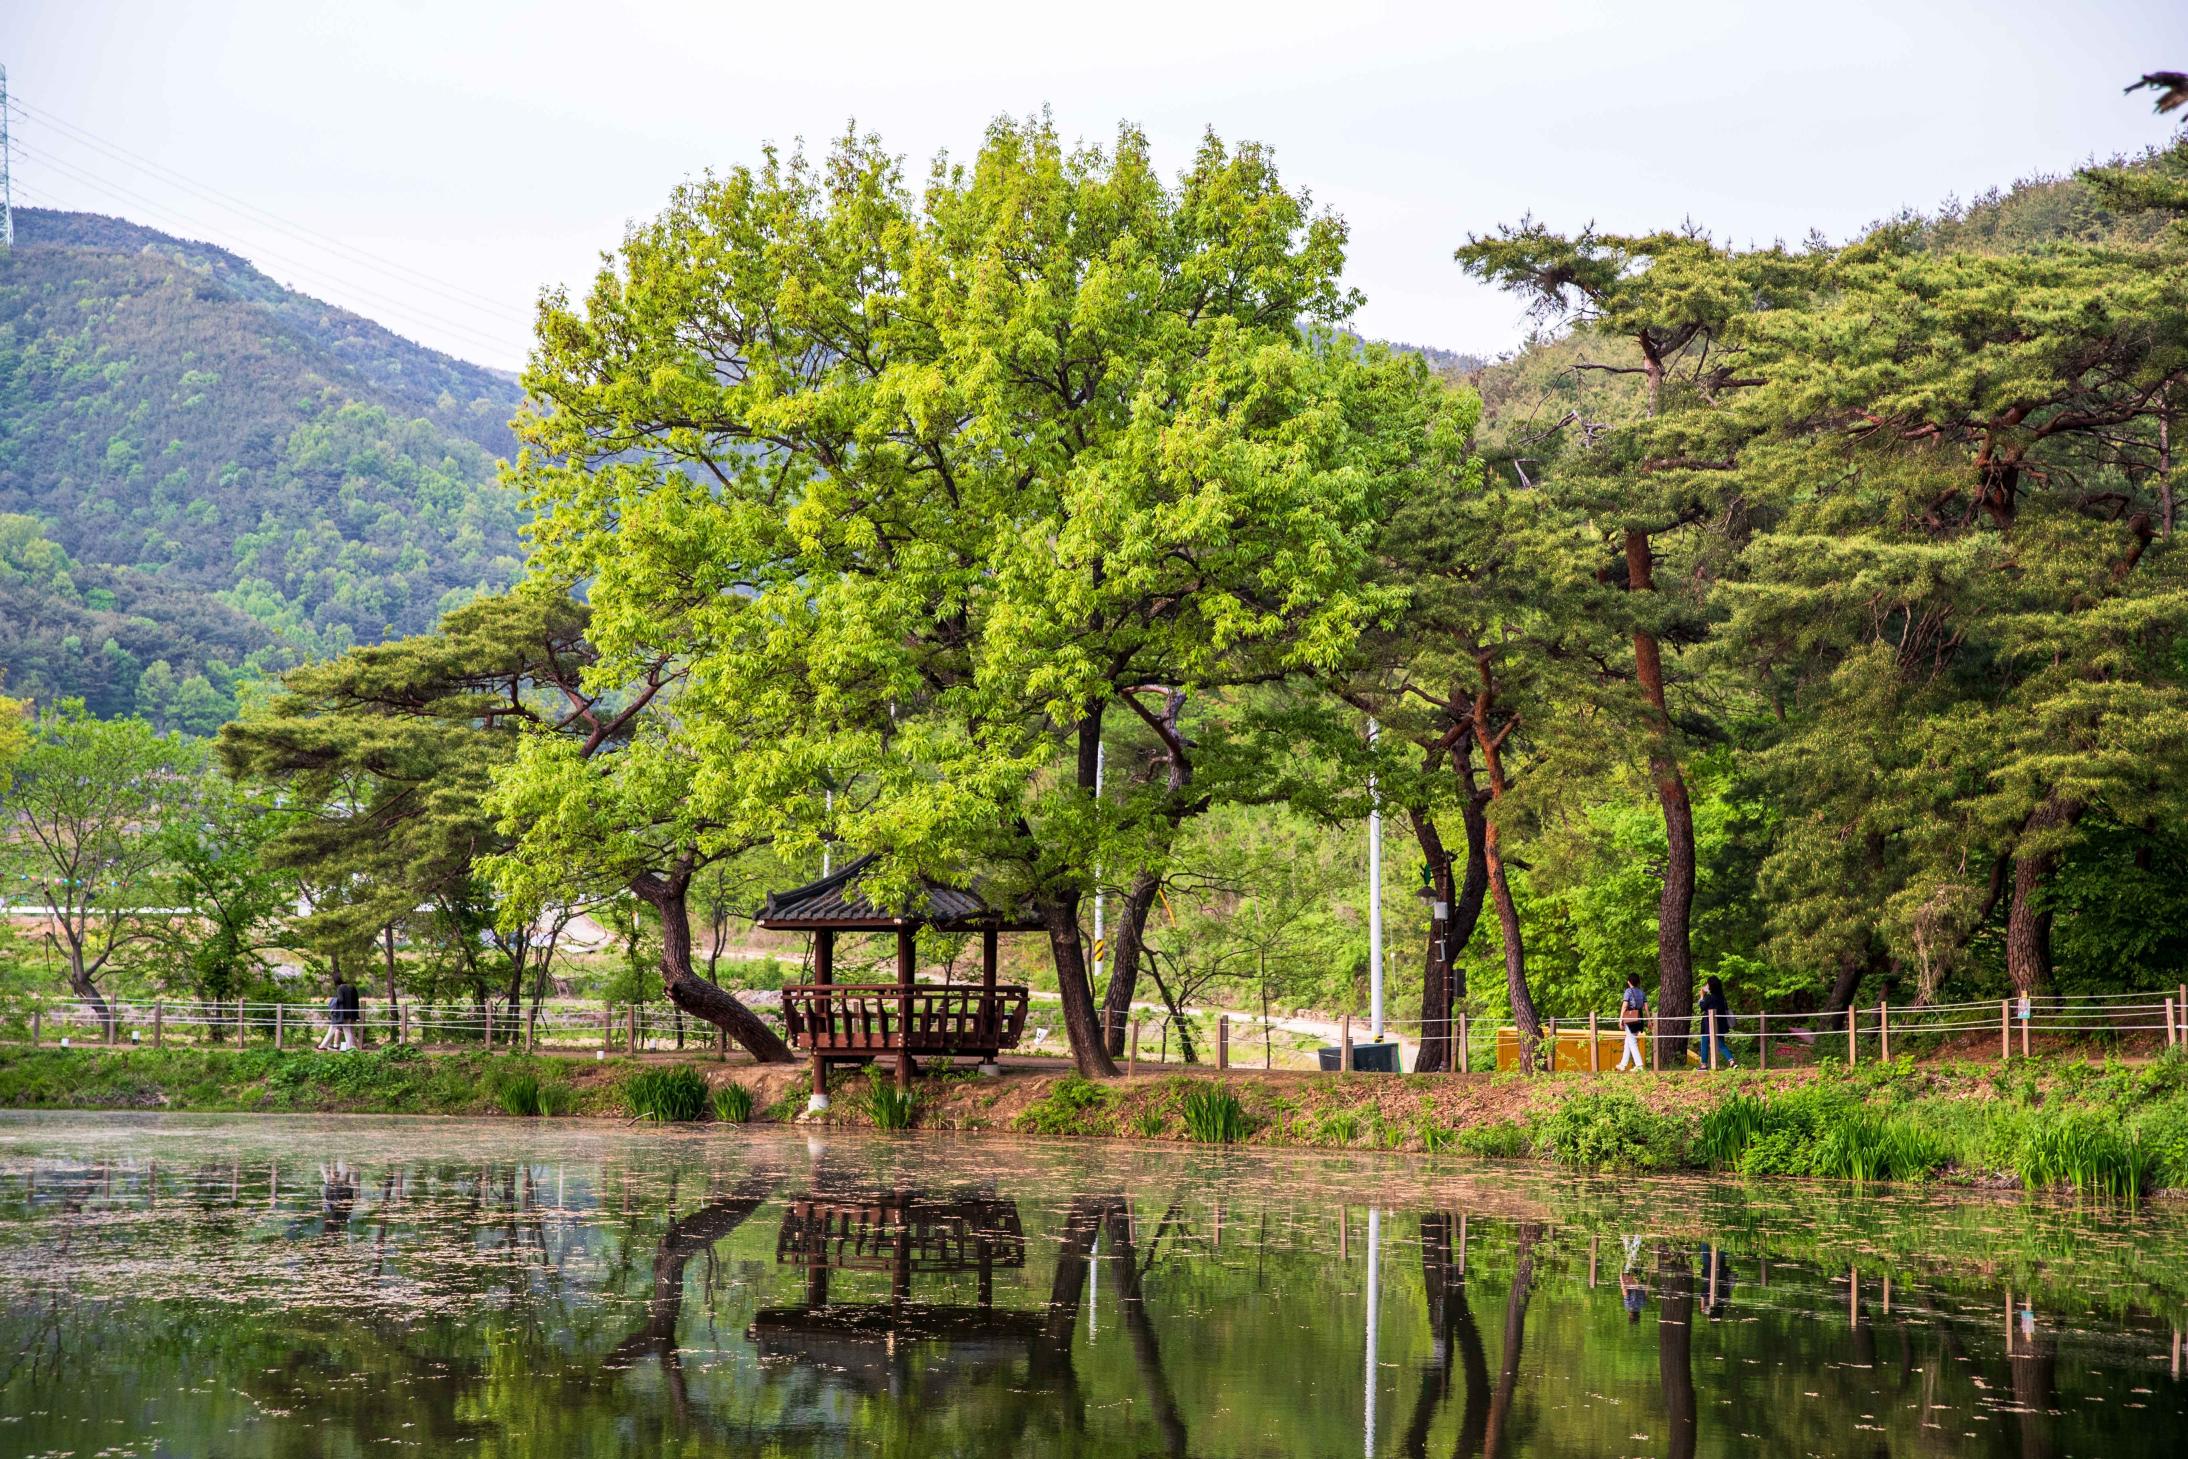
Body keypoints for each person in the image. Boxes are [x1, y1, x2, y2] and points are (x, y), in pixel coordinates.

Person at [1697, 975, 1734, 1069]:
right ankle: (1731, 1060)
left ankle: (1704, 1064)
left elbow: (1702, 1006)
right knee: (1721, 1043)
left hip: (1708, 1025)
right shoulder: (1722, 997)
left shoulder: (1709, 997)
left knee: (1704, 1042)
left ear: (1710, 986)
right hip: (1720, 1024)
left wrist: (1702, 996)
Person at [1616, 973, 1647, 1071]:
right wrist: (1649, 1021)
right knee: (1628, 1040)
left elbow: (1625, 1006)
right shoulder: (1642, 992)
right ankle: (1623, 1064)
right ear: (1638, 982)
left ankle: (1639, 1065)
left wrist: (1621, 1018)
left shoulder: (1628, 991)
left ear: (1629, 982)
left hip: (1630, 1018)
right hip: (1639, 1017)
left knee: (1632, 1041)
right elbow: (1646, 1007)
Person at [331, 973, 362, 1052]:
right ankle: (356, 1047)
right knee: (350, 1031)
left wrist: (333, 1001)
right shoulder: (351, 988)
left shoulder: (342, 988)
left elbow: (341, 1000)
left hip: (346, 1013)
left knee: (346, 1030)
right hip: (353, 1012)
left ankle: (349, 1047)